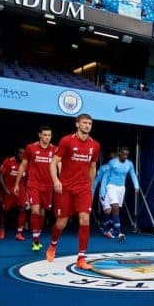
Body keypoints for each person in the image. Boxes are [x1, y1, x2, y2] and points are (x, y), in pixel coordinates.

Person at [46, 114, 100, 269]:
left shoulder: (95, 145)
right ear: (77, 124)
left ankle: (81, 258)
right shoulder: (66, 141)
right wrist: (56, 180)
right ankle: (53, 245)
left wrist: (90, 186)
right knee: (61, 223)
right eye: (84, 122)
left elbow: (93, 167)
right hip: (66, 188)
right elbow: (53, 162)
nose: (87, 125)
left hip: (83, 189)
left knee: (84, 219)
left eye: (90, 123)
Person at [15, 126, 56, 252]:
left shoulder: (55, 149)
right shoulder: (31, 148)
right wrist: (17, 184)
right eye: (44, 135)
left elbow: (59, 165)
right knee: (35, 211)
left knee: (43, 212)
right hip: (33, 184)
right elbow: (23, 165)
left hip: (48, 186)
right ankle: (35, 240)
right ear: (39, 135)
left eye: (49, 135)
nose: (47, 137)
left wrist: (58, 180)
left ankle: (37, 232)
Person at [99, 147, 140, 242]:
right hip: (111, 186)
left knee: (115, 210)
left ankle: (104, 227)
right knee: (115, 207)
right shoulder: (112, 163)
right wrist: (102, 191)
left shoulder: (129, 164)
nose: (125, 156)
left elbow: (133, 174)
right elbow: (105, 177)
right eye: (124, 154)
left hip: (121, 188)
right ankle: (118, 231)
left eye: (127, 155)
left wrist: (136, 186)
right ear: (120, 153)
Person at [0, 148, 27, 241]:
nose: (22, 155)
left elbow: (28, 177)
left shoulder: (26, 163)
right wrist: (5, 189)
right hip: (9, 190)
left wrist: (27, 190)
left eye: (24, 154)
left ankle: (19, 233)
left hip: (20, 190)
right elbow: (1, 176)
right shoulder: (8, 161)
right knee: (5, 210)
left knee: (22, 209)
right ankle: (1, 228)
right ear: (17, 153)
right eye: (20, 153)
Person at [92, 152, 115, 239]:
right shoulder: (103, 168)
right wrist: (92, 194)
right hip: (104, 192)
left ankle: (104, 227)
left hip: (113, 193)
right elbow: (96, 181)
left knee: (114, 210)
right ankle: (105, 229)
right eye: (111, 158)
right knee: (108, 210)